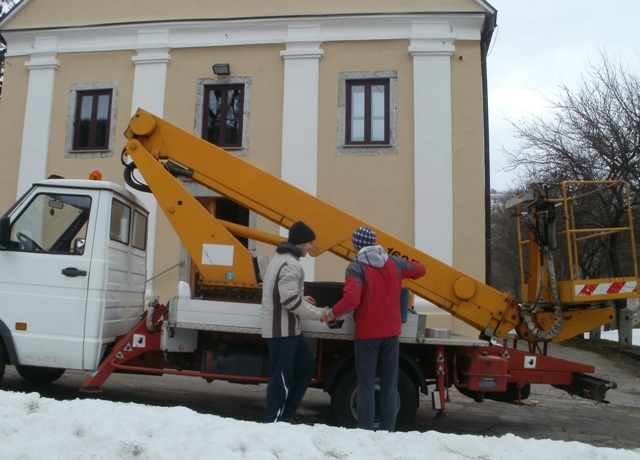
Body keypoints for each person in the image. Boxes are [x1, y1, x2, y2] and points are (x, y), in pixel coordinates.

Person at [323, 226, 426, 431]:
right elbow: (420, 269)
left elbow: (352, 299)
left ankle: (365, 428)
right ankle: (388, 428)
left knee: (366, 383)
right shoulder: (394, 263)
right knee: (390, 382)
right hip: (391, 332)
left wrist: (332, 313)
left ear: (355, 245)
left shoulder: (356, 267)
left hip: (368, 334)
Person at [261, 221, 324, 423]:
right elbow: (288, 301)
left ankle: (285, 414)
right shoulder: (290, 264)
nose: (311, 247)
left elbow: (283, 293)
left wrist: (299, 296)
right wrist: (320, 314)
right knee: (281, 379)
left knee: (306, 367)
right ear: (301, 242)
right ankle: (273, 421)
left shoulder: (281, 259)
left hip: (290, 330)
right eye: (309, 243)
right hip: (283, 331)